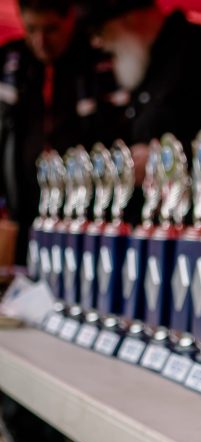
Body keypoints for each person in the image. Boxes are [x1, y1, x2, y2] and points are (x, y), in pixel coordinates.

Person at [89, 0, 201, 182]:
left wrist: (165, 159)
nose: (102, 43)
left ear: (130, 19)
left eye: (103, 31)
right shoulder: (147, 61)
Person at [0, 0, 115, 265]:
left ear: (71, 18)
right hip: (19, 214)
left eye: (51, 29)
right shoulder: (9, 63)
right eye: (31, 29)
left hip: (83, 218)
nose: (41, 41)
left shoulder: (98, 61)